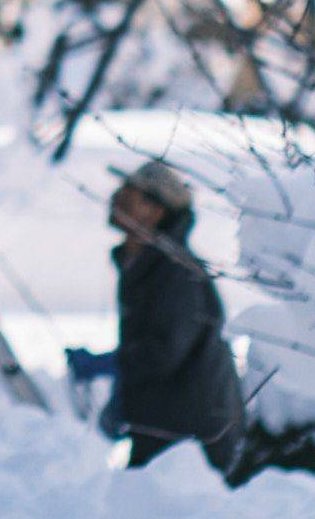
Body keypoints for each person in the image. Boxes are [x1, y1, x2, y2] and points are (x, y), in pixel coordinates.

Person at [98, 158, 250, 469]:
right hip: (163, 427)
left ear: (155, 210)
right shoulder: (144, 263)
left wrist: (111, 364)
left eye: (130, 193)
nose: (117, 198)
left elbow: (165, 351)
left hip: (191, 440)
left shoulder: (175, 271)